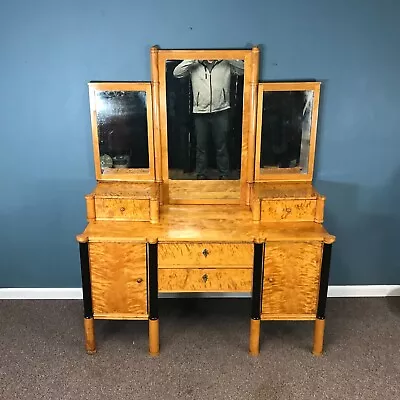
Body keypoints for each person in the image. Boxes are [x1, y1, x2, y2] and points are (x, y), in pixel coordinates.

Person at [173, 59, 244, 179]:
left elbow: (243, 69)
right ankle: (201, 174)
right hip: (200, 112)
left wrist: (228, 56)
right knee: (201, 146)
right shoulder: (195, 64)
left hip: (222, 110)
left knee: (222, 145)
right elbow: (177, 72)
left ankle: (224, 174)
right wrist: (194, 57)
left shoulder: (225, 63)